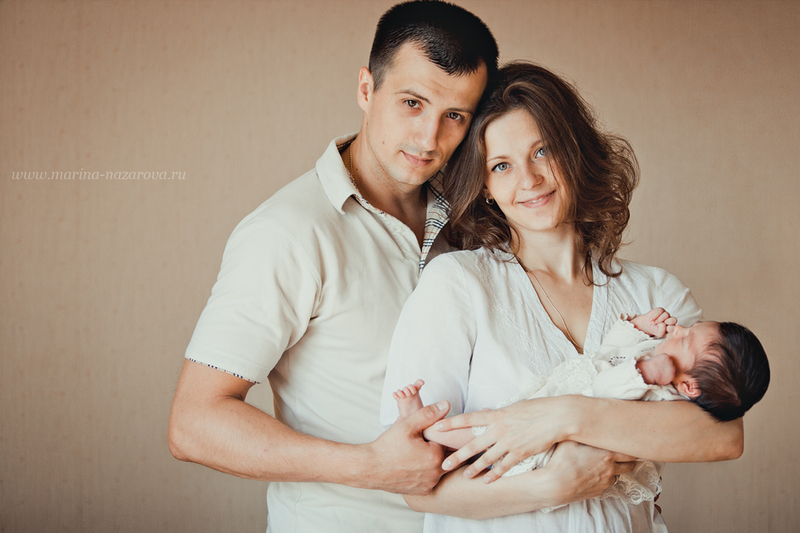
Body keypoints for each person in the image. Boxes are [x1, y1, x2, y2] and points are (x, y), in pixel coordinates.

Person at [167, 2, 500, 531]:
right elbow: (194, 424)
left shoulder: (477, 220)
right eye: (412, 103)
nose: (429, 138)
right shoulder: (288, 231)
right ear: (367, 89)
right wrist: (371, 466)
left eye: (454, 116)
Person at [380, 62, 744, 531]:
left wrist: (564, 416)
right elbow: (414, 484)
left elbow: (721, 436)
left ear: (574, 152)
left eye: (543, 151)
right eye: (501, 165)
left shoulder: (657, 293)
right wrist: (552, 486)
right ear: (485, 186)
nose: (529, 180)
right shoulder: (457, 284)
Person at [392, 307, 770, 509]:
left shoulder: (660, 395)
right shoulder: (658, 353)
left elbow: (606, 390)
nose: (678, 330)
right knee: (489, 429)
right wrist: (638, 328)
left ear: (689, 387)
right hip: (542, 411)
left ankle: (424, 428)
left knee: (483, 434)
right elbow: (610, 351)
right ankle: (425, 434)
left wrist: (643, 374)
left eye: (686, 340)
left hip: (548, 448)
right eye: (689, 326)